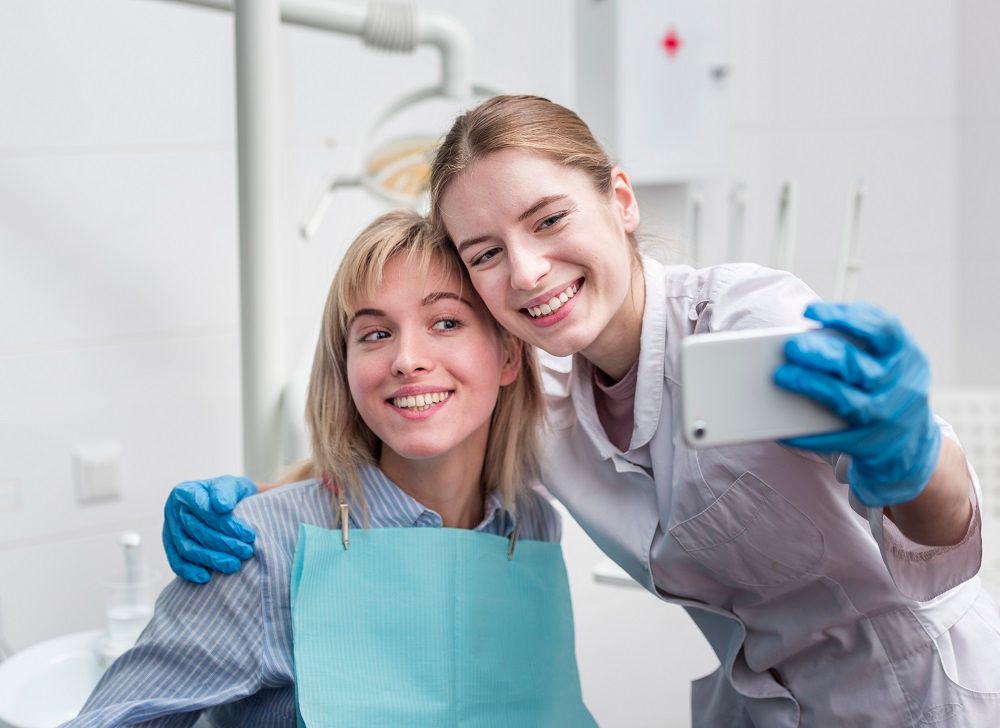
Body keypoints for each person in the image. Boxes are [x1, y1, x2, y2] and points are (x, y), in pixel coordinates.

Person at [165, 97, 1000, 726]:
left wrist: (914, 451)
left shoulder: (751, 319)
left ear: (621, 201)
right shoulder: (544, 401)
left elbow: (941, 530)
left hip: (926, 694)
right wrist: (259, 508)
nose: (526, 273)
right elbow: (415, 434)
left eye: (550, 220)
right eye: (486, 255)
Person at [66, 210, 596, 727]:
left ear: (507, 357)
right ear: (346, 370)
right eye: (375, 334)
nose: (407, 359)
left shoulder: (530, 525)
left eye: (446, 322)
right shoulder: (263, 551)